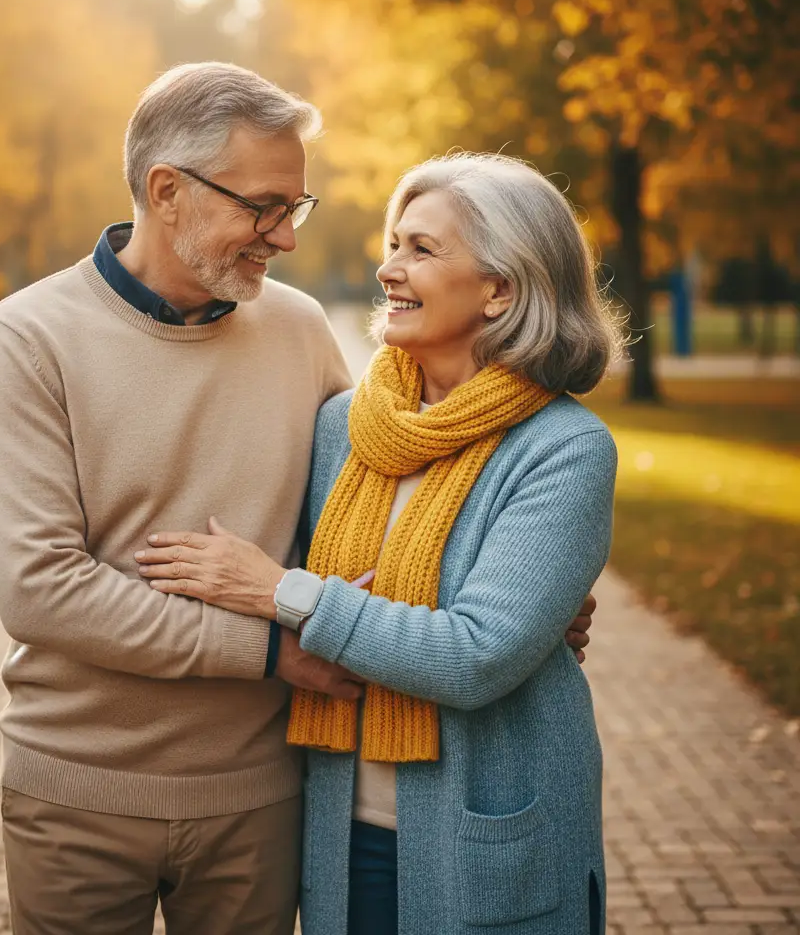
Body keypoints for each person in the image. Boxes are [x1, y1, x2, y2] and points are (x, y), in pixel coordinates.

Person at [0, 63, 596, 935]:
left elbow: (358, 525)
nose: (285, 237)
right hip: (81, 790)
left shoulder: (300, 330)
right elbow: (39, 591)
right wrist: (272, 652)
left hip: (266, 795)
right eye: (262, 206)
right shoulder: (29, 337)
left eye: (293, 208)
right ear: (167, 190)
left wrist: (518, 600)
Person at [135, 152, 623, 935]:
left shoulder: (563, 448)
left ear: (501, 288)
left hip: (486, 838)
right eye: (394, 243)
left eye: (422, 250)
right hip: (339, 831)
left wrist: (280, 591)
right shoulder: (344, 427)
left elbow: (472, 656)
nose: (389, 269)